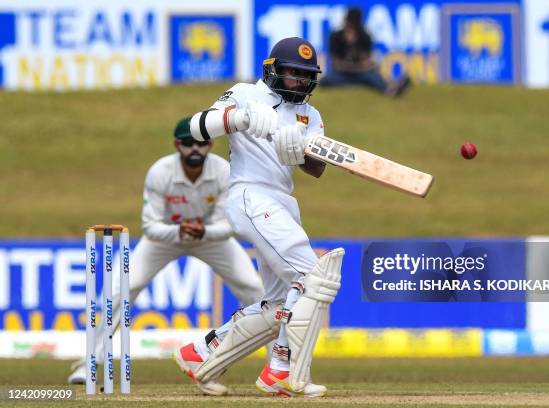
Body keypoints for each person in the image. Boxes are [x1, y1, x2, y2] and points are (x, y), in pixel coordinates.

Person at [173, 37, 344, 398]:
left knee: (283, 301)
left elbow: (317, 169)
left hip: (284, 201)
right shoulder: (244, 94)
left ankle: (199, 352)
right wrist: (239, 118)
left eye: (306, 75)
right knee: (312, 277)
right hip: (250, 193)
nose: (299, 81)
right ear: (274, 69)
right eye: (293, 73)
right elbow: (194, 127)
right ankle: (281, 369)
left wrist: (299, 151)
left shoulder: (310, 115)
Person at [67, 117, 265, 392]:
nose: (195, 149)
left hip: (210, 239)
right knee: (121, 288)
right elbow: (150, 226)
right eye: (188, 143)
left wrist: (202, 232)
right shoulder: (160, 171)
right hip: (165, 240)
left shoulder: (223, 171)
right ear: (176, 145)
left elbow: (229, 224)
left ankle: (276, 364)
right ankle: (87, 362)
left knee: (254, 288)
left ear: (210, 144)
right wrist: (180, 231)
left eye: (201, 143)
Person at [320, 7, 410, 97]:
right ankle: (361, 83)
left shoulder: (365, 36)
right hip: (343, 73)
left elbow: (368, 62)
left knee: (373, 77)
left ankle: (391, 89)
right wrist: (355, 66)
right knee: (326, 81)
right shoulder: (336, 36)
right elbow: (335, 62)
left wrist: (354, 47)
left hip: (361, 73)